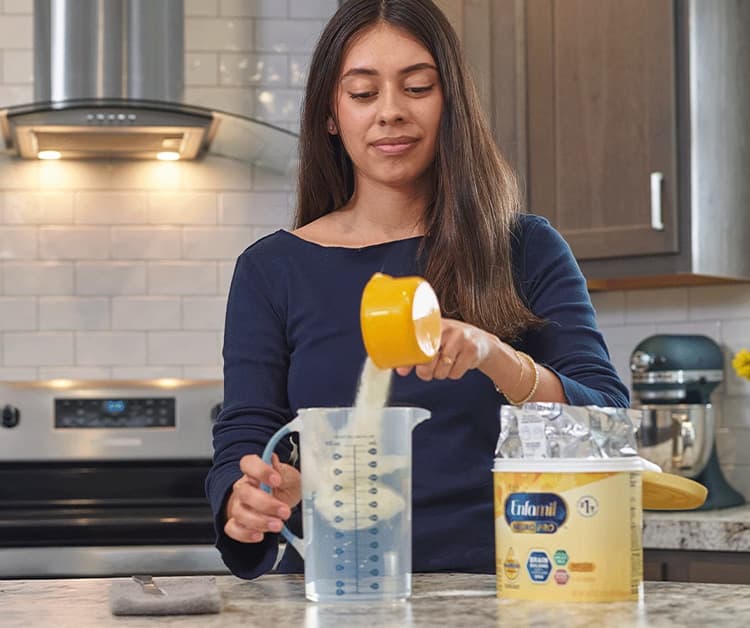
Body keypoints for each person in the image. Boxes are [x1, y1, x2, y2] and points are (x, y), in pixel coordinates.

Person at [206, 0, 629, 579]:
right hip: (339, 590)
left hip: (505, 587)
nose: (390, 113)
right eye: (362, 93)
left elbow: (607, 420)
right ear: (331, 115)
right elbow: (248, 427)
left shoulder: (524, 248)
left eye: (417, 87)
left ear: (449, 102)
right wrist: (243, 492)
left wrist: (498, 359)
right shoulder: (272, 268)